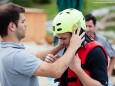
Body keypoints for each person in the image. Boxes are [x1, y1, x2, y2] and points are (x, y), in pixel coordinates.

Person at [0, 3, 85, 86]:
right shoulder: (16, 55)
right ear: (12, 26)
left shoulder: (5, 50)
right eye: (23, 21)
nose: (26, 24)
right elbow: (55, 71)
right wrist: (73, 46)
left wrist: (60, 46)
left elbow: (34, 56)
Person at [45, 8, 108, 86]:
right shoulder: (68, 46)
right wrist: (55, 64)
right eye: (59, 38)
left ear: (78, 33)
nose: (61, 43)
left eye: (63, 38)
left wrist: (77, 69)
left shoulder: (96, 52)